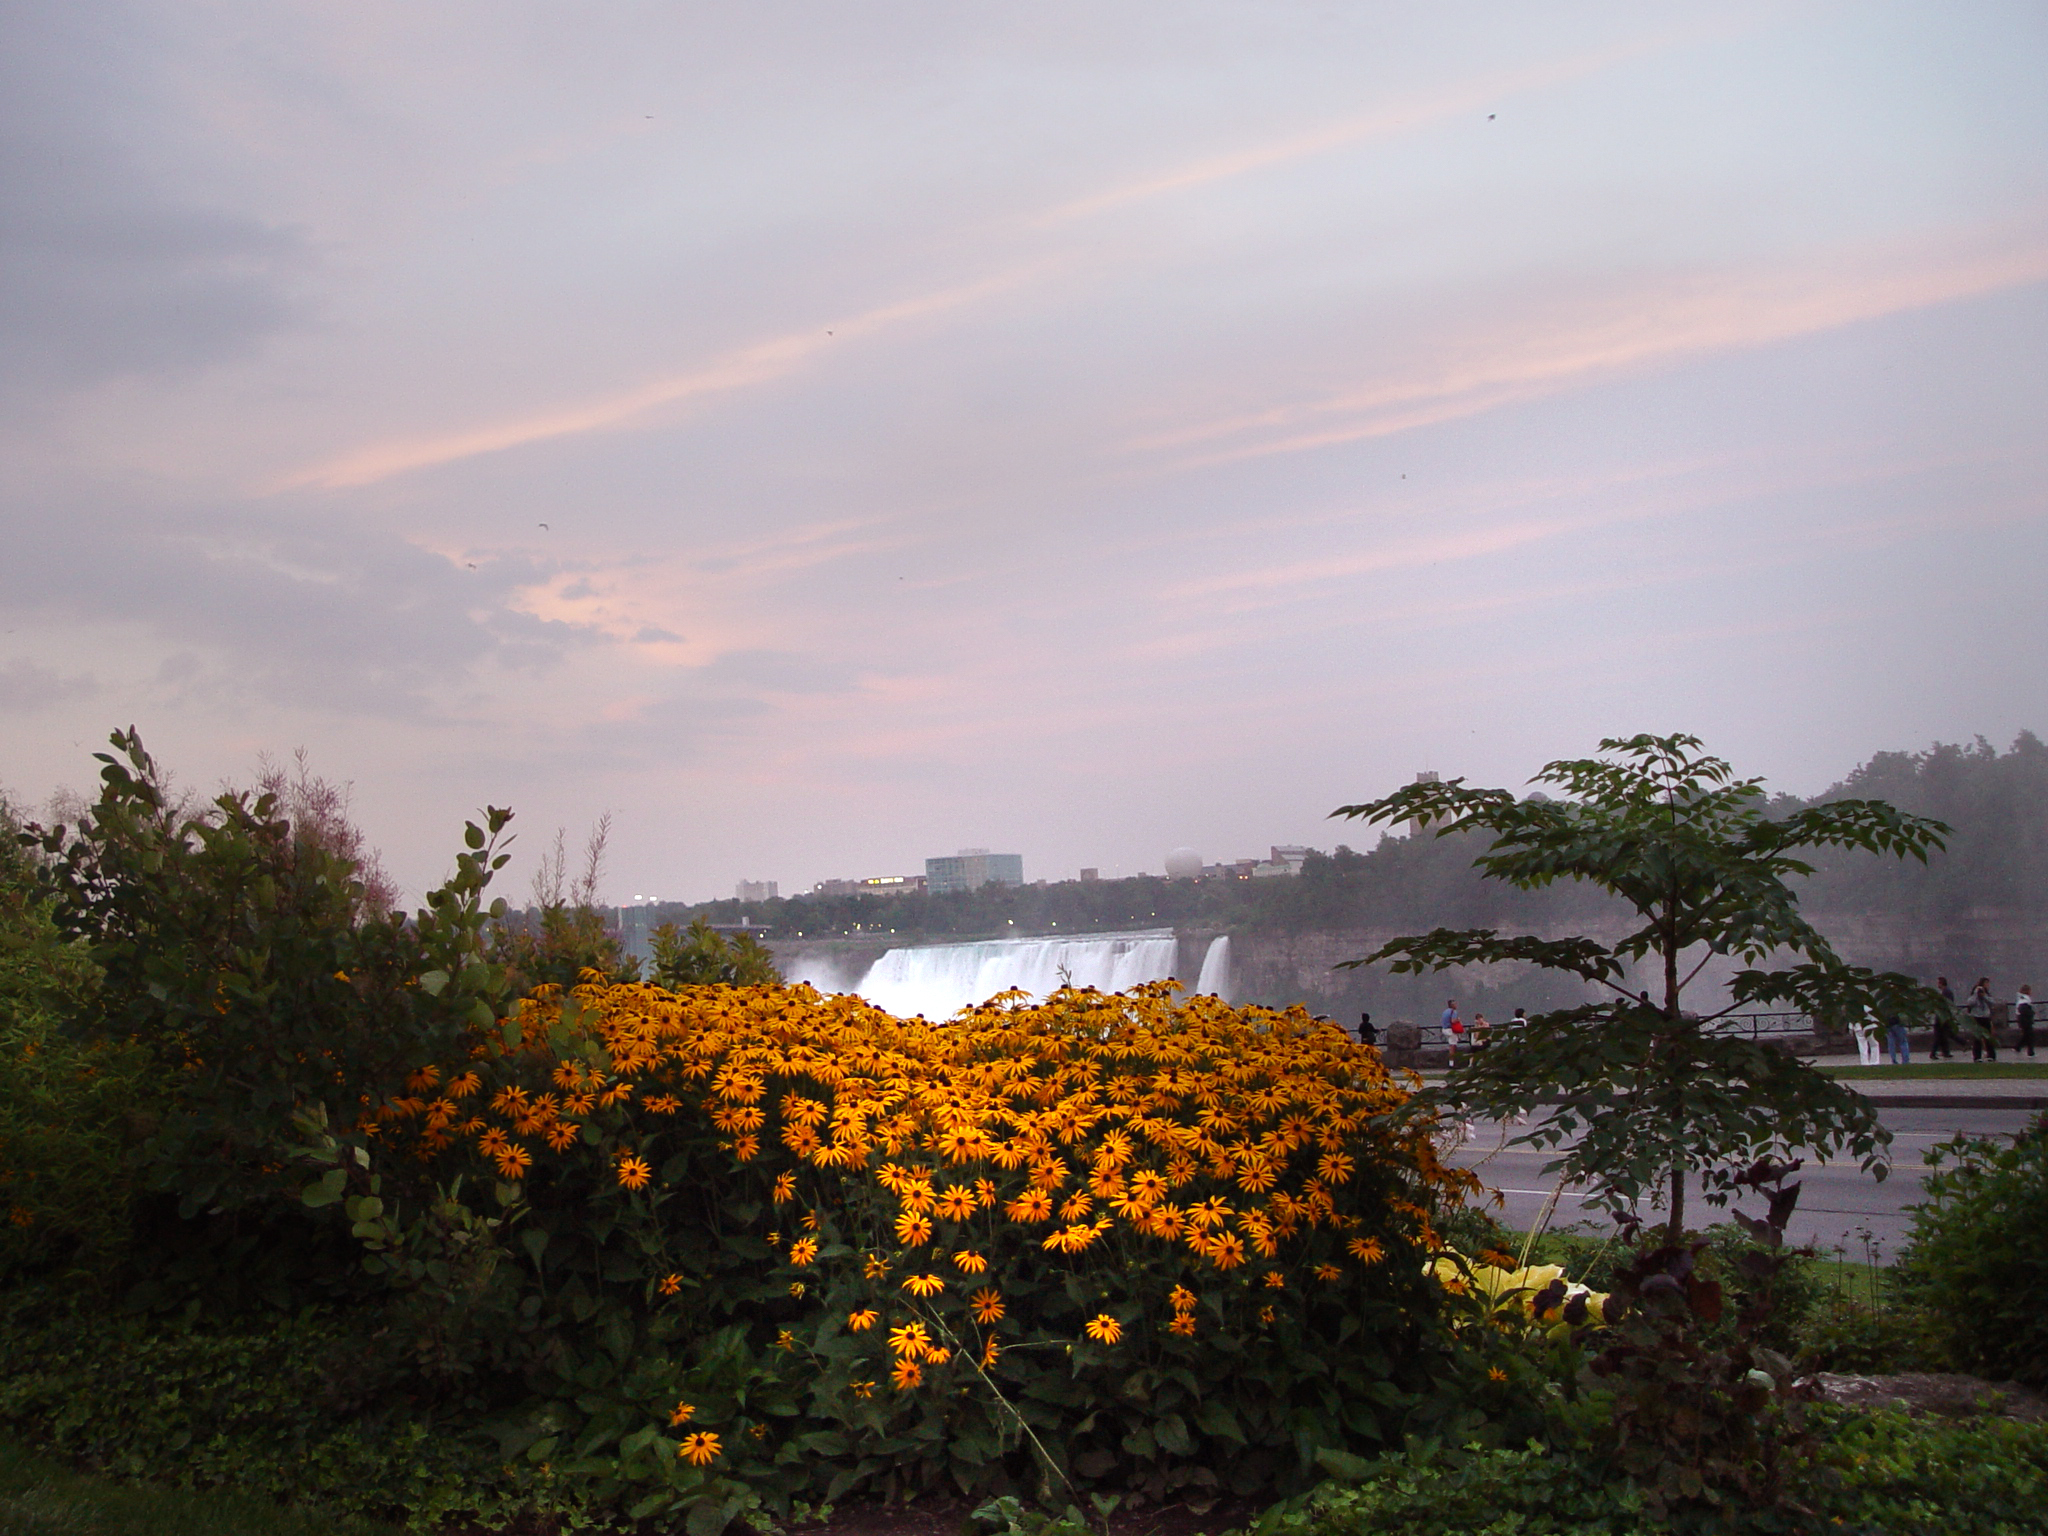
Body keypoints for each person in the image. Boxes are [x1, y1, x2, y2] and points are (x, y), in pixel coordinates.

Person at [1967, 977, 1996, 1062]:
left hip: (1986, 1017)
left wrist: (1984, 996)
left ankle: (1991, 1055)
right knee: (1977, 1037)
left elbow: (1992, 1002)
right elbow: (1970, 1002)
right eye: (1986, 983)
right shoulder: (1974, 994)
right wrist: (1976, 994)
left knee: (1988, 1037)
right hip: (1977, 1017)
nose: (1988, 985)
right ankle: (1977, 1056)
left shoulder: (1986, 994)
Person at [1933, 976, 1958, 1060]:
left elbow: (1947, 1004)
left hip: (1942, 1017)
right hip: (1943, 1017)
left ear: (1941, 983)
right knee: (1944, 1035)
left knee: (1939, 1036)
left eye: (1938, 983)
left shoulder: (1946, 992)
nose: (1937, 985)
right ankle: (1945, 1052)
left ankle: (1935, 1053)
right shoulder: (1946, 992)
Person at [2017, 985, 2037, 1059]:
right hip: (2025, 1020)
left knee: (2026, 1035)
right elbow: (2023, 1009)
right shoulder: (2024, 1000)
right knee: (2030, 1035)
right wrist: (2031, 1013)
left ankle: (2017, 1047)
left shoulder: (2021, 998)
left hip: (2022, 1019)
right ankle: (2030, 1052)